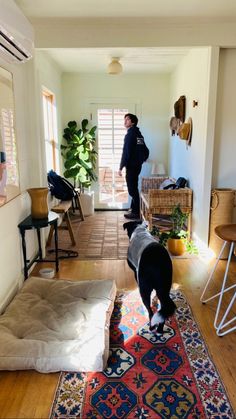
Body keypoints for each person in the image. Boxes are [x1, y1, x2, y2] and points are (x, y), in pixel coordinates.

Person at [118, 113, 145, 219]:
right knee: (134, 187)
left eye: (127, 120)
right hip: (137, 166)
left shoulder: (130, 135)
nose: (125, 121)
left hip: (132, 166)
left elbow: (126, 152)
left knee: (132, 189)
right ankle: (134, 208)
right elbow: (145, 149)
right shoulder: (139, 134)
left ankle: (136, 212)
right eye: (124, 119)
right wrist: (142, 159)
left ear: (132, 122)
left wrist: (121, 167)